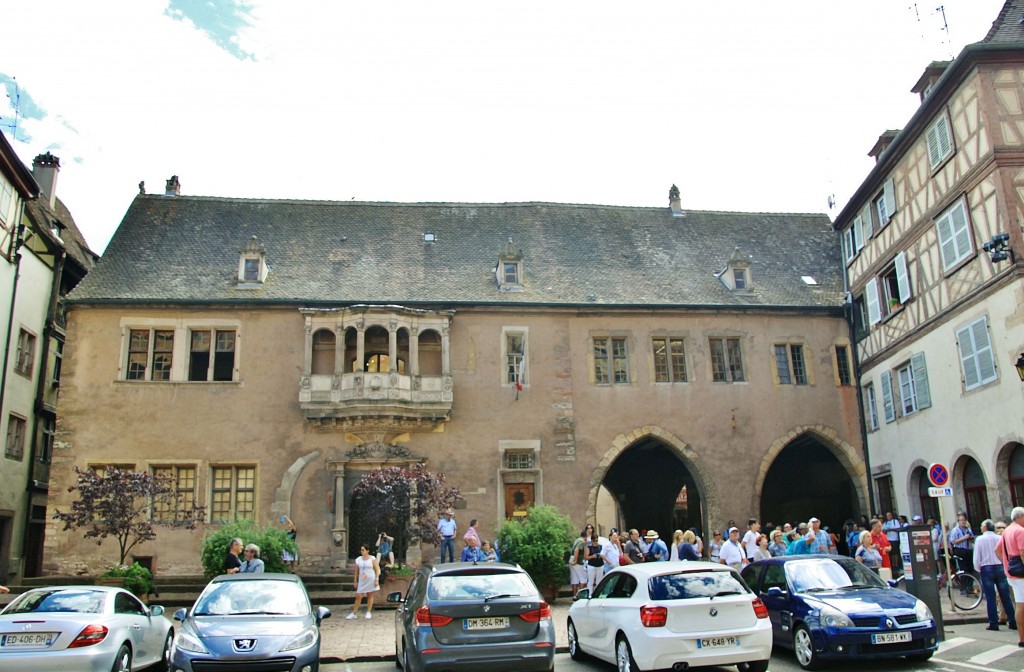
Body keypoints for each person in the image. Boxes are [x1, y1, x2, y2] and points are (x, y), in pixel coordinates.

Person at [974, 519, 1016, 631]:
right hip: (999, 566)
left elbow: (977, 557)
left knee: (990, 597)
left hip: (986, 567)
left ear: (985, 527)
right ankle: (1012, 621)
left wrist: (978, 568)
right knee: (1005, 596)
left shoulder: (980, 539)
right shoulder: (999, 538)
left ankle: (993, 622)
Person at [998, 506, 1024, 647]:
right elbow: (1022, 552)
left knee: (1020, 605)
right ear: (1020, 517)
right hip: (1021, 574)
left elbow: (998, 549)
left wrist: (1006, 564)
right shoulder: (1020, 531)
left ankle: (1022, 638)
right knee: (1021, 605)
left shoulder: (1007, 530)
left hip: (1012, 573)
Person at [347, 543, 380, 619]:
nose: (362, 551)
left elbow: (377, 569)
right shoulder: (358, 559)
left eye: (363, 550)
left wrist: (376, 579)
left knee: (370, 595)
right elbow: (356, 571)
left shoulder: (372, 559)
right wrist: (355, 581)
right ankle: (354, 613)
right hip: (362, 579)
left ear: (367, 551)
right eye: (361, 550)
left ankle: (368, 611)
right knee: (358, 596)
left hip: (370, 578)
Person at [569, 527, 589, 595]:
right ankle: (580, 596)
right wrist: (575, 560)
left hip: (571, 558)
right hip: (578, 561)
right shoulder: (582, 542)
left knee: (574, 579)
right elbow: (576, 550)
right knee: (583, 579)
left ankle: (574, 596)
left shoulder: (577, 540)